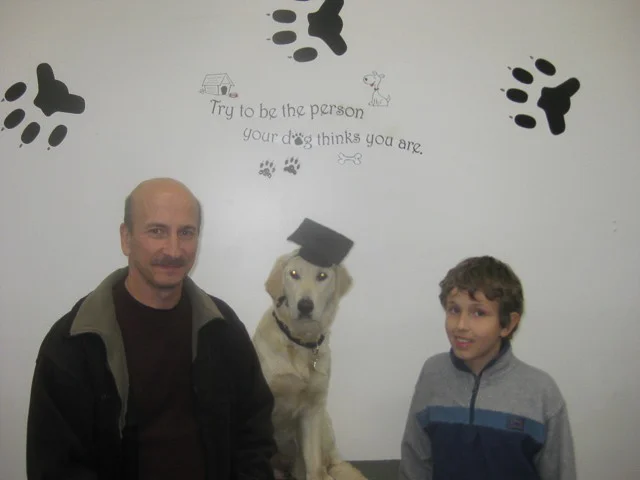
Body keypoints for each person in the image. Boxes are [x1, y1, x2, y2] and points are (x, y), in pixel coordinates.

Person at [26, 177, 277, 480]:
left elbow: (255, 432)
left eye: (186, 232)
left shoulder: (222, 328)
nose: (173, 249)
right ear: (126, 238)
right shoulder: (74, 343)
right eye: (157, 231)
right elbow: (55, 467)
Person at [398, 255, 576, 480]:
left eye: (478, 313)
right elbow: (415, 461)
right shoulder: (433, 373)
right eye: (454, 310)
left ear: (508, 324)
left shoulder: (541, 391)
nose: (461, 325)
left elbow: (559, 472)